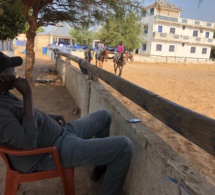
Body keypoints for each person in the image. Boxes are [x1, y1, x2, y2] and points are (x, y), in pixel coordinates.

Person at [0, 51, 133, 195]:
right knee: (124, 147)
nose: (16, 72)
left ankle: (101, 165)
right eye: (12, 69)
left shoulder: (4, 94)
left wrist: (50, 118)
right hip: (51, 152)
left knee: (104, 116)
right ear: (2, 77)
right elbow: (28, 142)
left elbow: (28, 116)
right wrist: (28, 95)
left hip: (60, 134)